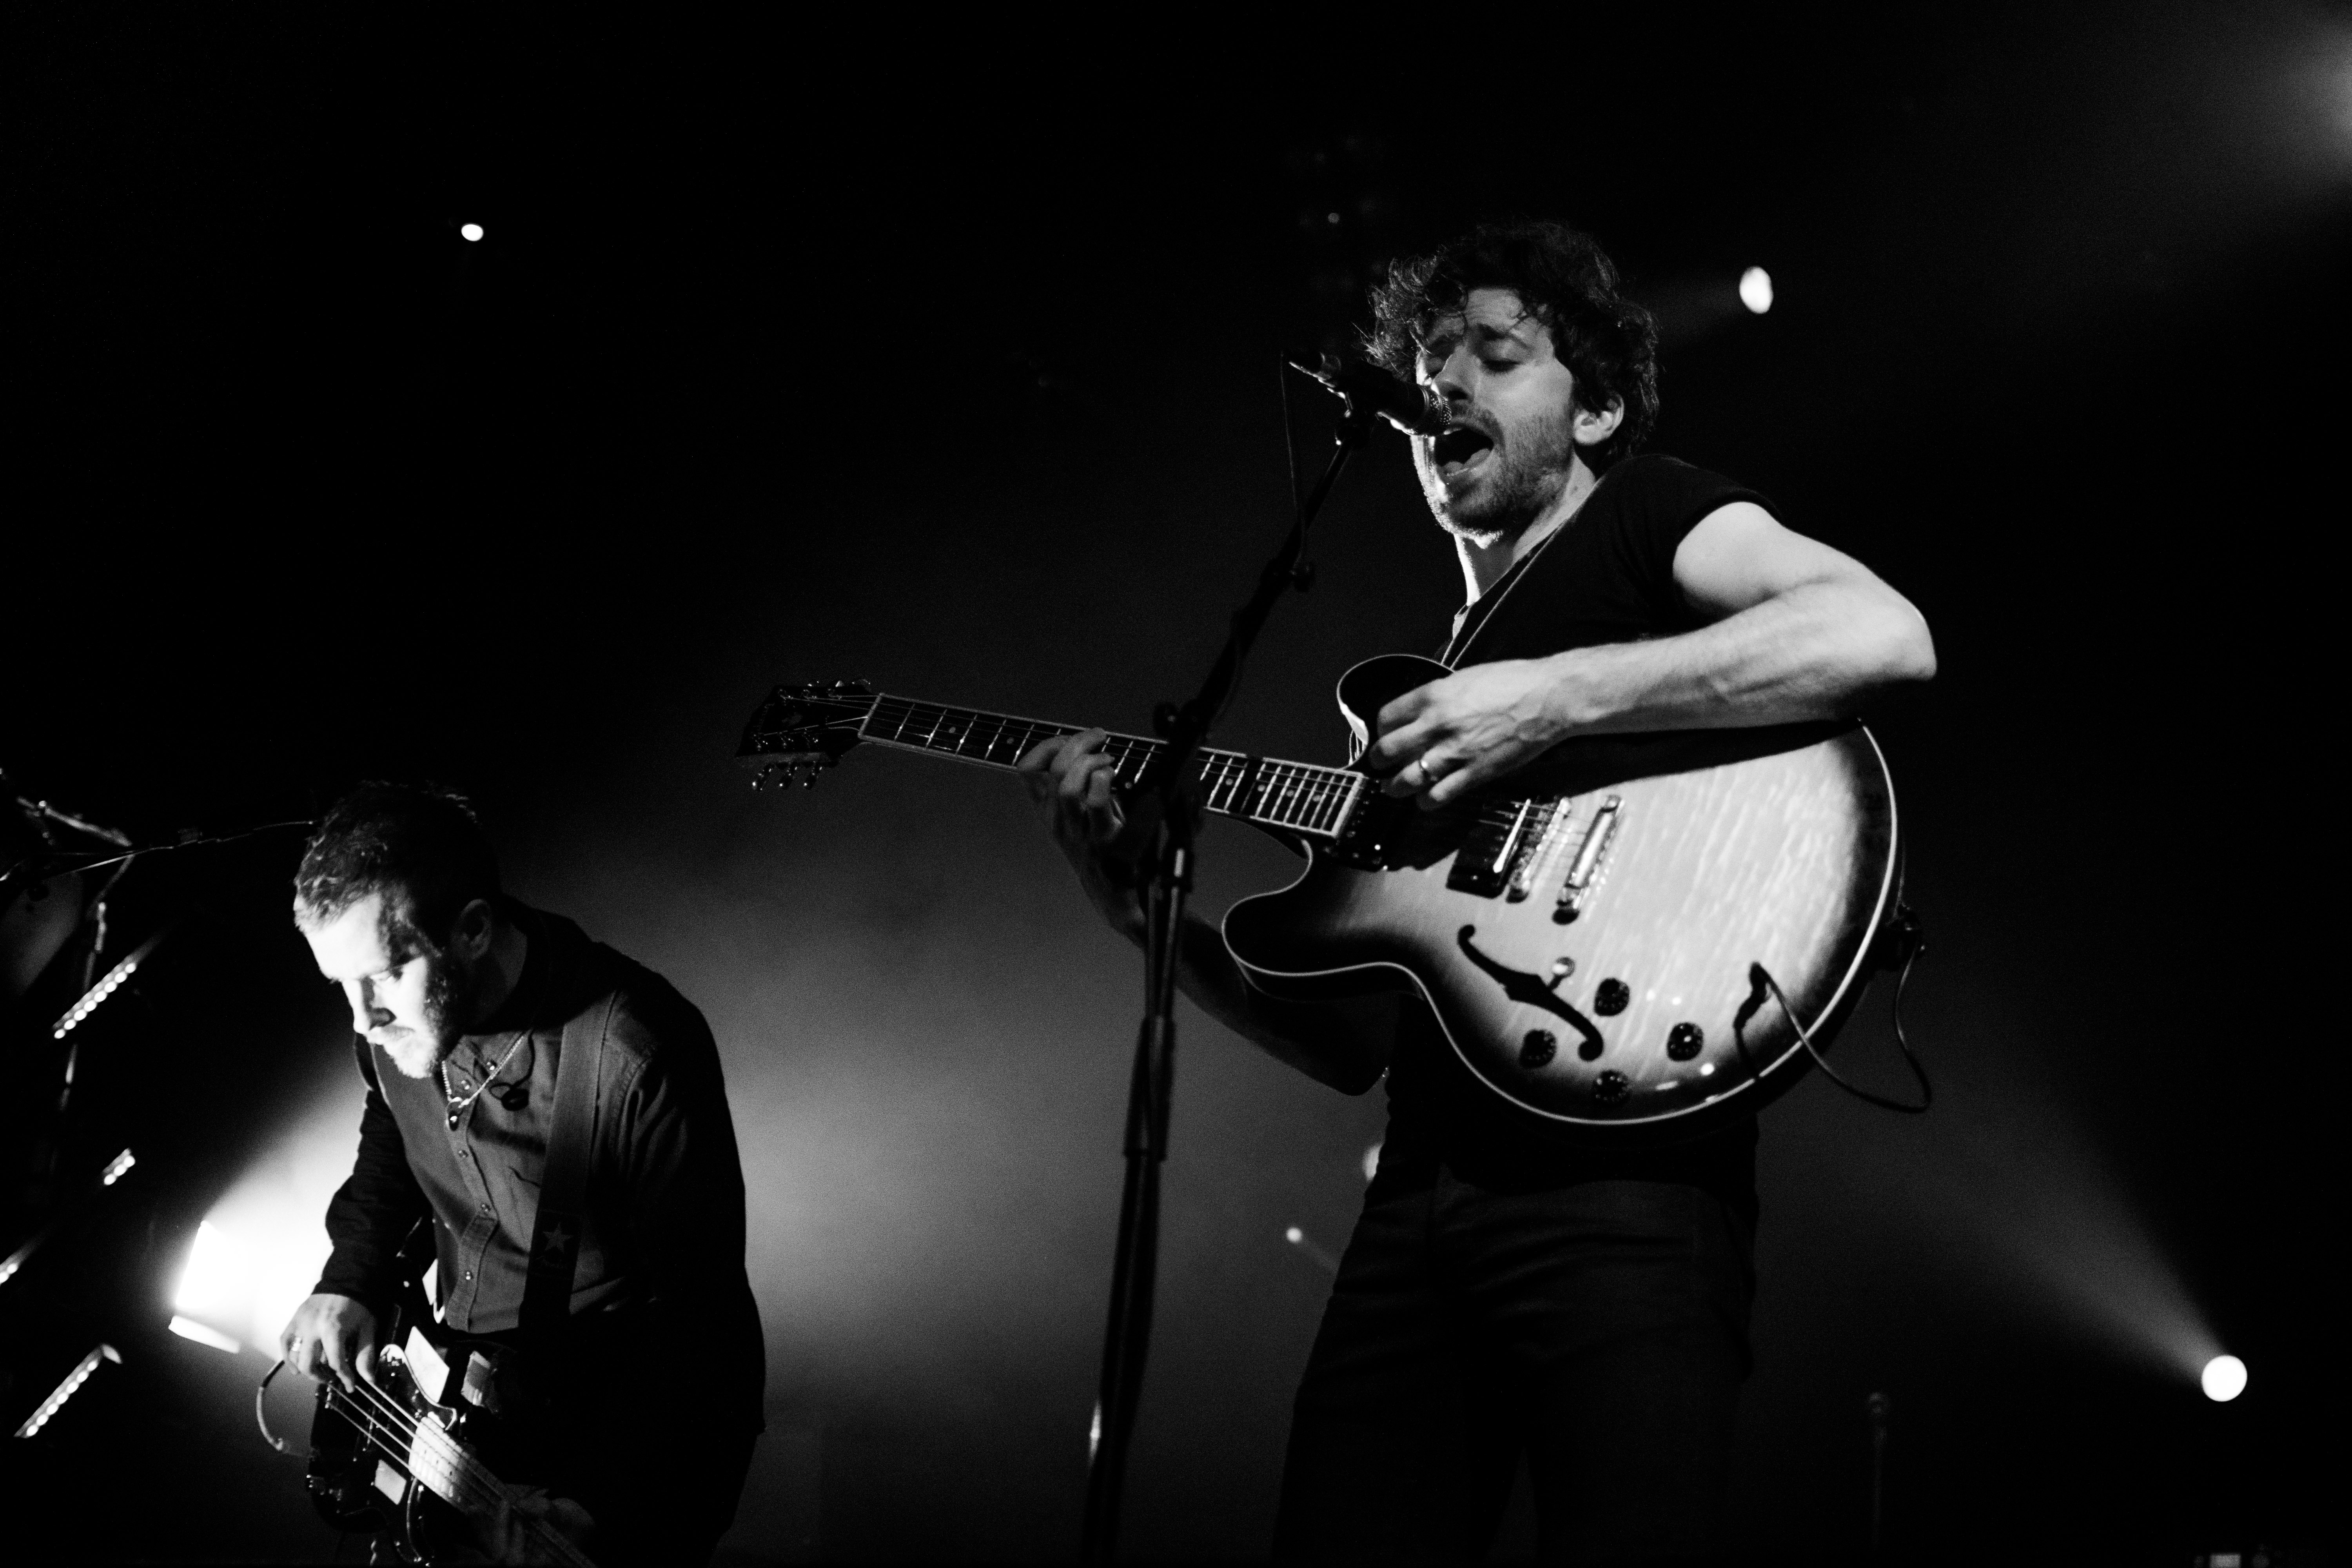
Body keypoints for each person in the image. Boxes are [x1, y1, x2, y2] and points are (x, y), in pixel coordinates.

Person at [1020, 219, 1936, 1562]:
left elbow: (1884, 634)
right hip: (1417, 1215)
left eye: (1496, 358)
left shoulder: (1644, 509)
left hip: (1631, 1200)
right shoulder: (1426, 688)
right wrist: (1142, 920)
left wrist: (1553, 695)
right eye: (1430, 362)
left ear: (1600, 405)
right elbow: (1348, 1044)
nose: (1444, 384)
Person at [278, 782, 764, 1566]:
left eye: (386, 976)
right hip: (481, 1396)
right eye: (342, 984)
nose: (363, 1019)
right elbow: (393, 1134)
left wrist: (598, 1501)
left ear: (473, 929)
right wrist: (353, 1274)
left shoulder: (637, 1052)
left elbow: (702, 1320)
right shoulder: (395, 1026)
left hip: (621, 1422)